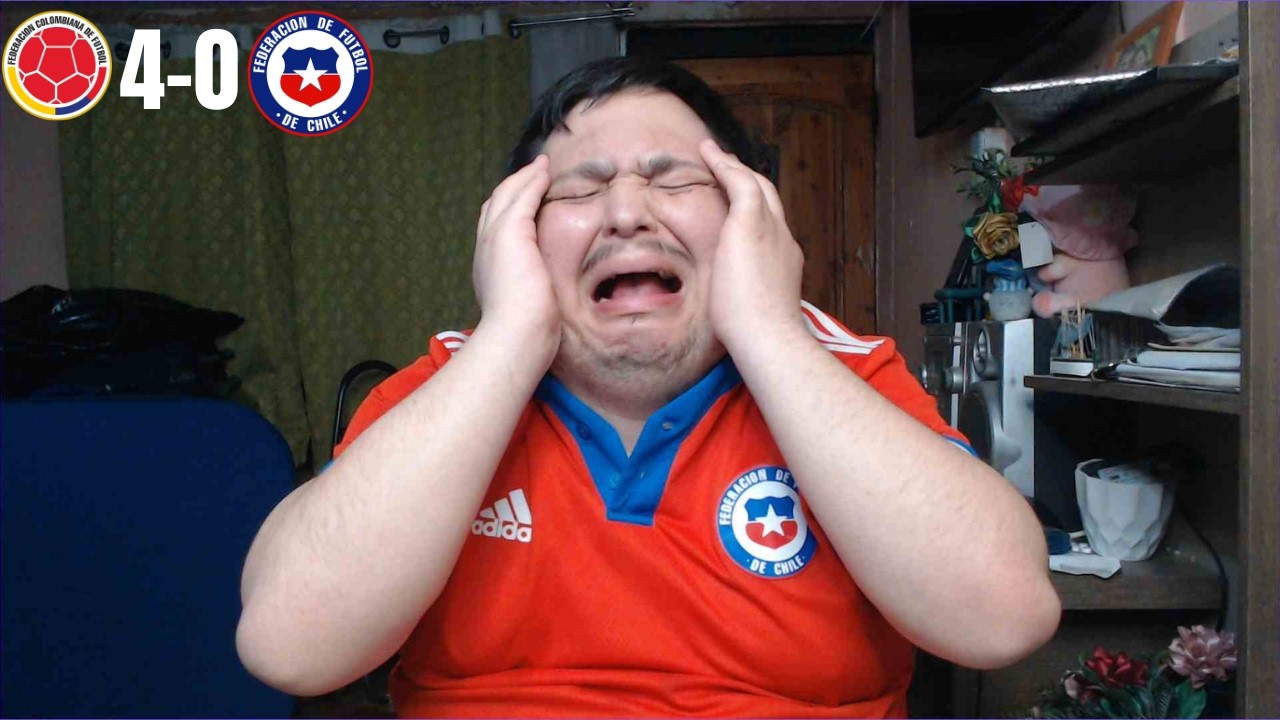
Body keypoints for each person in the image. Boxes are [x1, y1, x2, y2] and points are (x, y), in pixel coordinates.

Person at [236, 57, 1061, 717]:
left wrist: (768, 329)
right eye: (579, 188)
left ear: (750, 219)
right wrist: (511, 336)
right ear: (517, 235)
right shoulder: (448, 386)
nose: (627, 213)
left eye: (674, 181)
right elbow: (290, 647)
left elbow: (1002, 618)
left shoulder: (838, 371)